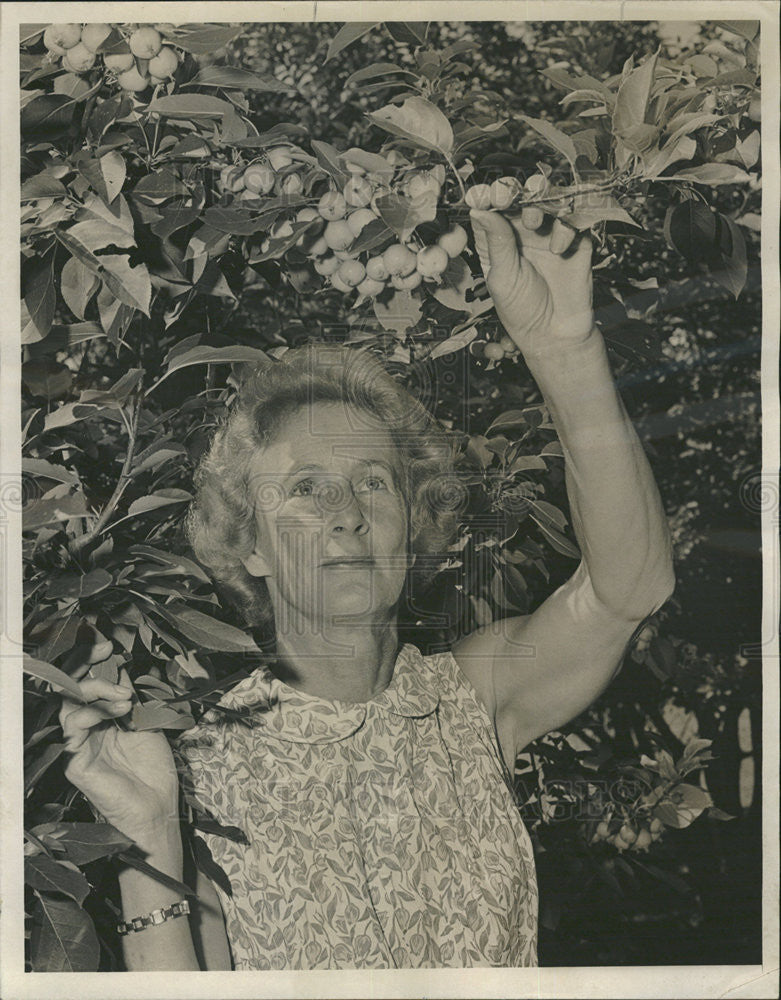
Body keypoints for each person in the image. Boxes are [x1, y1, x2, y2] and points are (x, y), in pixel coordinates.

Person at [59, 206, 675, 970]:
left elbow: (628, 588)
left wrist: (566, 348)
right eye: (306, 490)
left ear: (413, 527)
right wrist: (146, 841)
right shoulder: (195, 762)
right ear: (248, 544)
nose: (345, 515)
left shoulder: (472, 699)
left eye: (373, 484)